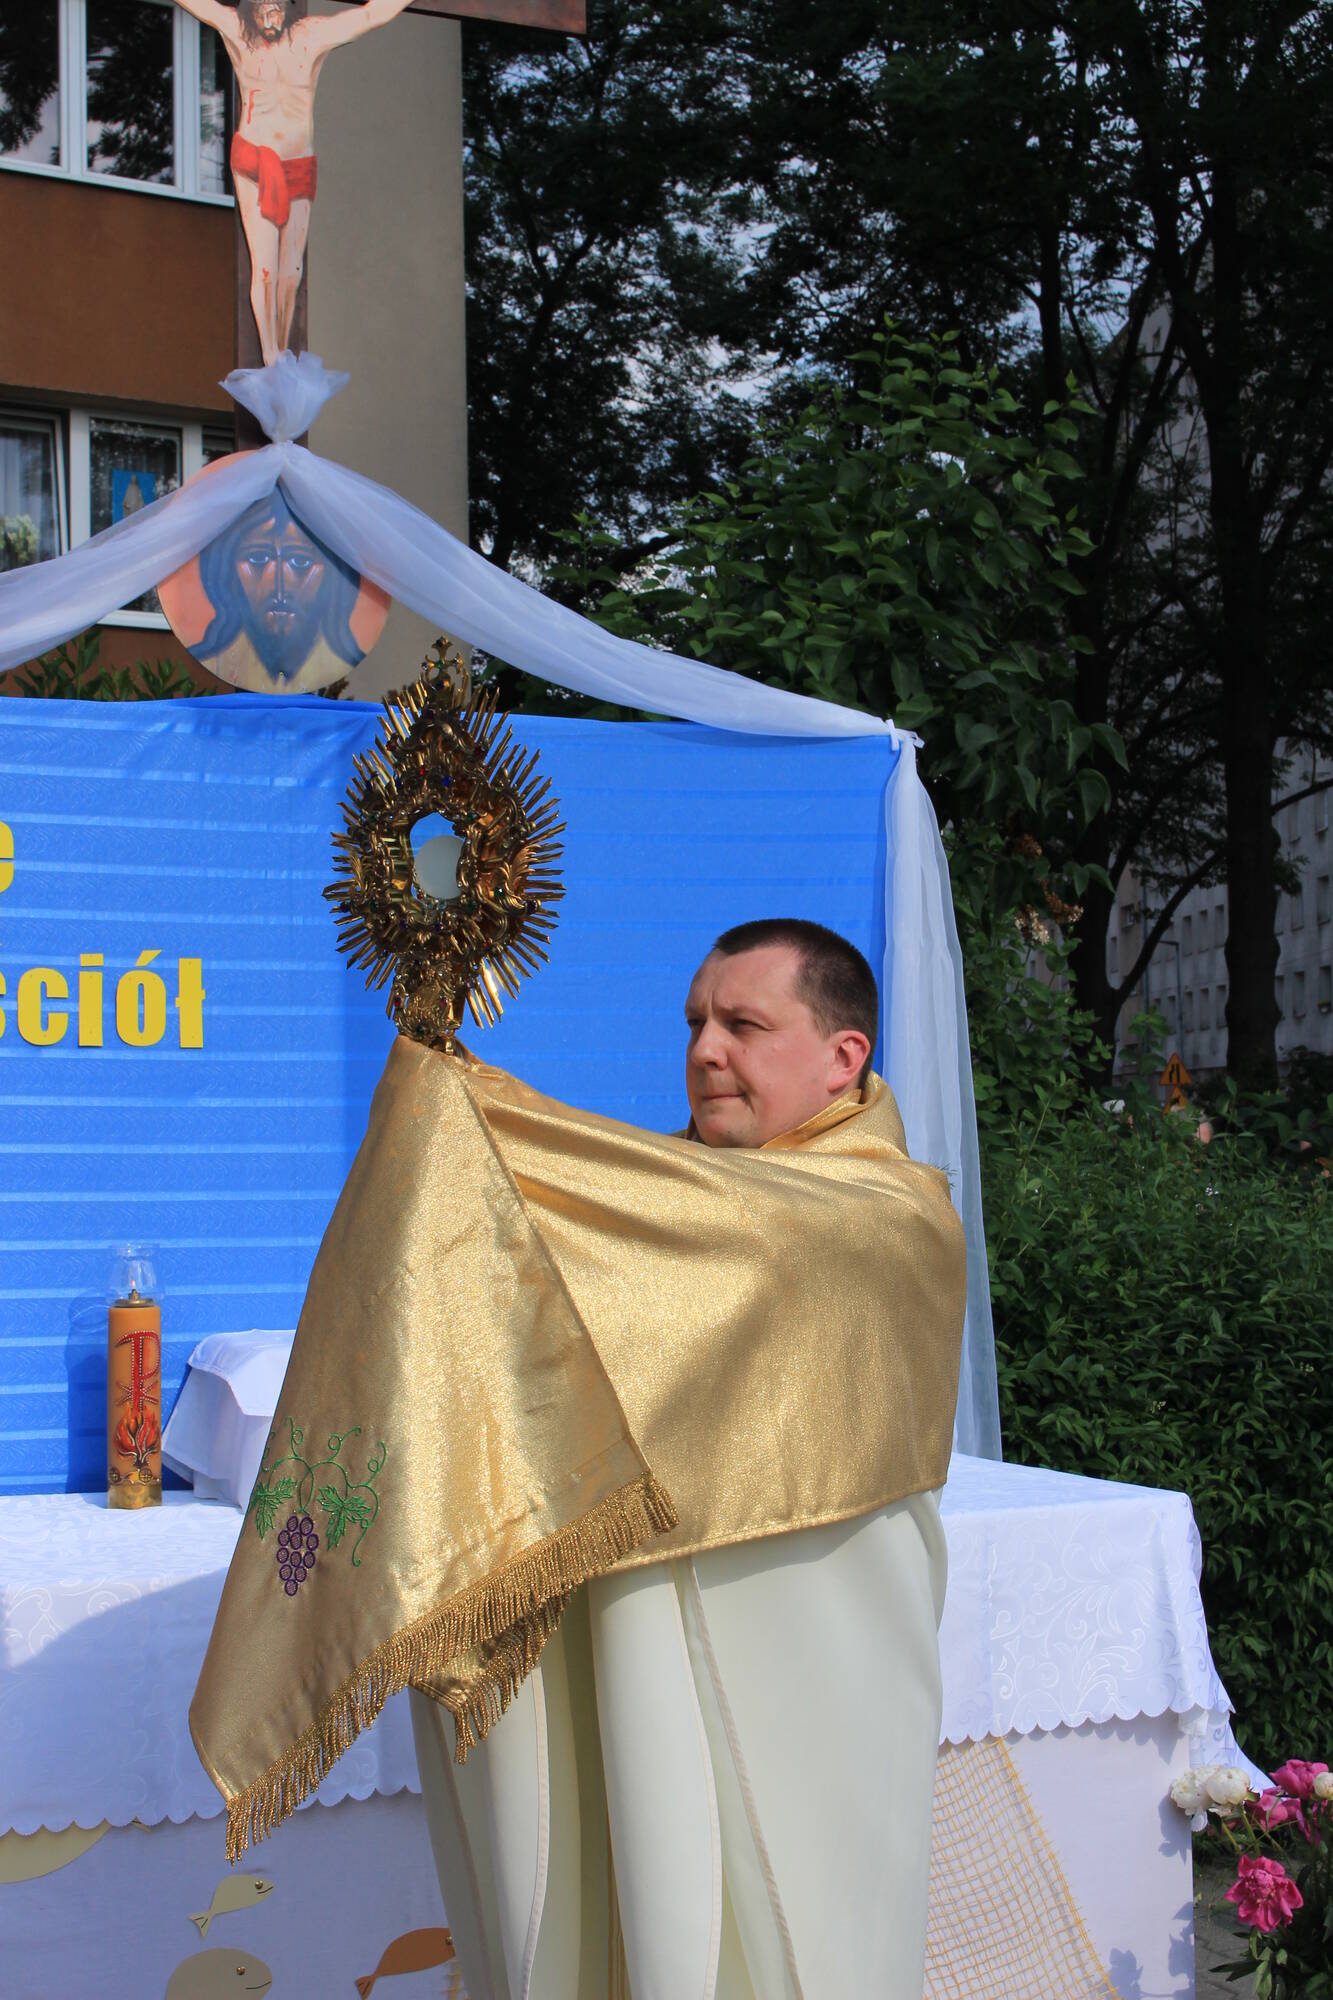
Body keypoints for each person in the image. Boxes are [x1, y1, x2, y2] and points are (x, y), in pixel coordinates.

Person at [408, 920, 957, 2000]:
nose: (706, 1049)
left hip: (809, 1665)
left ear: (843, 1056)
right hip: (624, 1634)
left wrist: (474, 1118)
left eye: (743, 1024)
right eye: (697, 1022)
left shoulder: (887, 1209)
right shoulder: (663, 1193)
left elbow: (738, 1236)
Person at [173, 0, 418, 364]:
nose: (268, 19)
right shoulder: (238, 32)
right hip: (256, 161)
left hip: (299, 163)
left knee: (292, 272)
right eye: (261, 11)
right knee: (266, 268)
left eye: (274, 9)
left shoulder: (311, 36)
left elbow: (371, 14)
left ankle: (282, 350)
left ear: (287, 8)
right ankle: (270, 353)